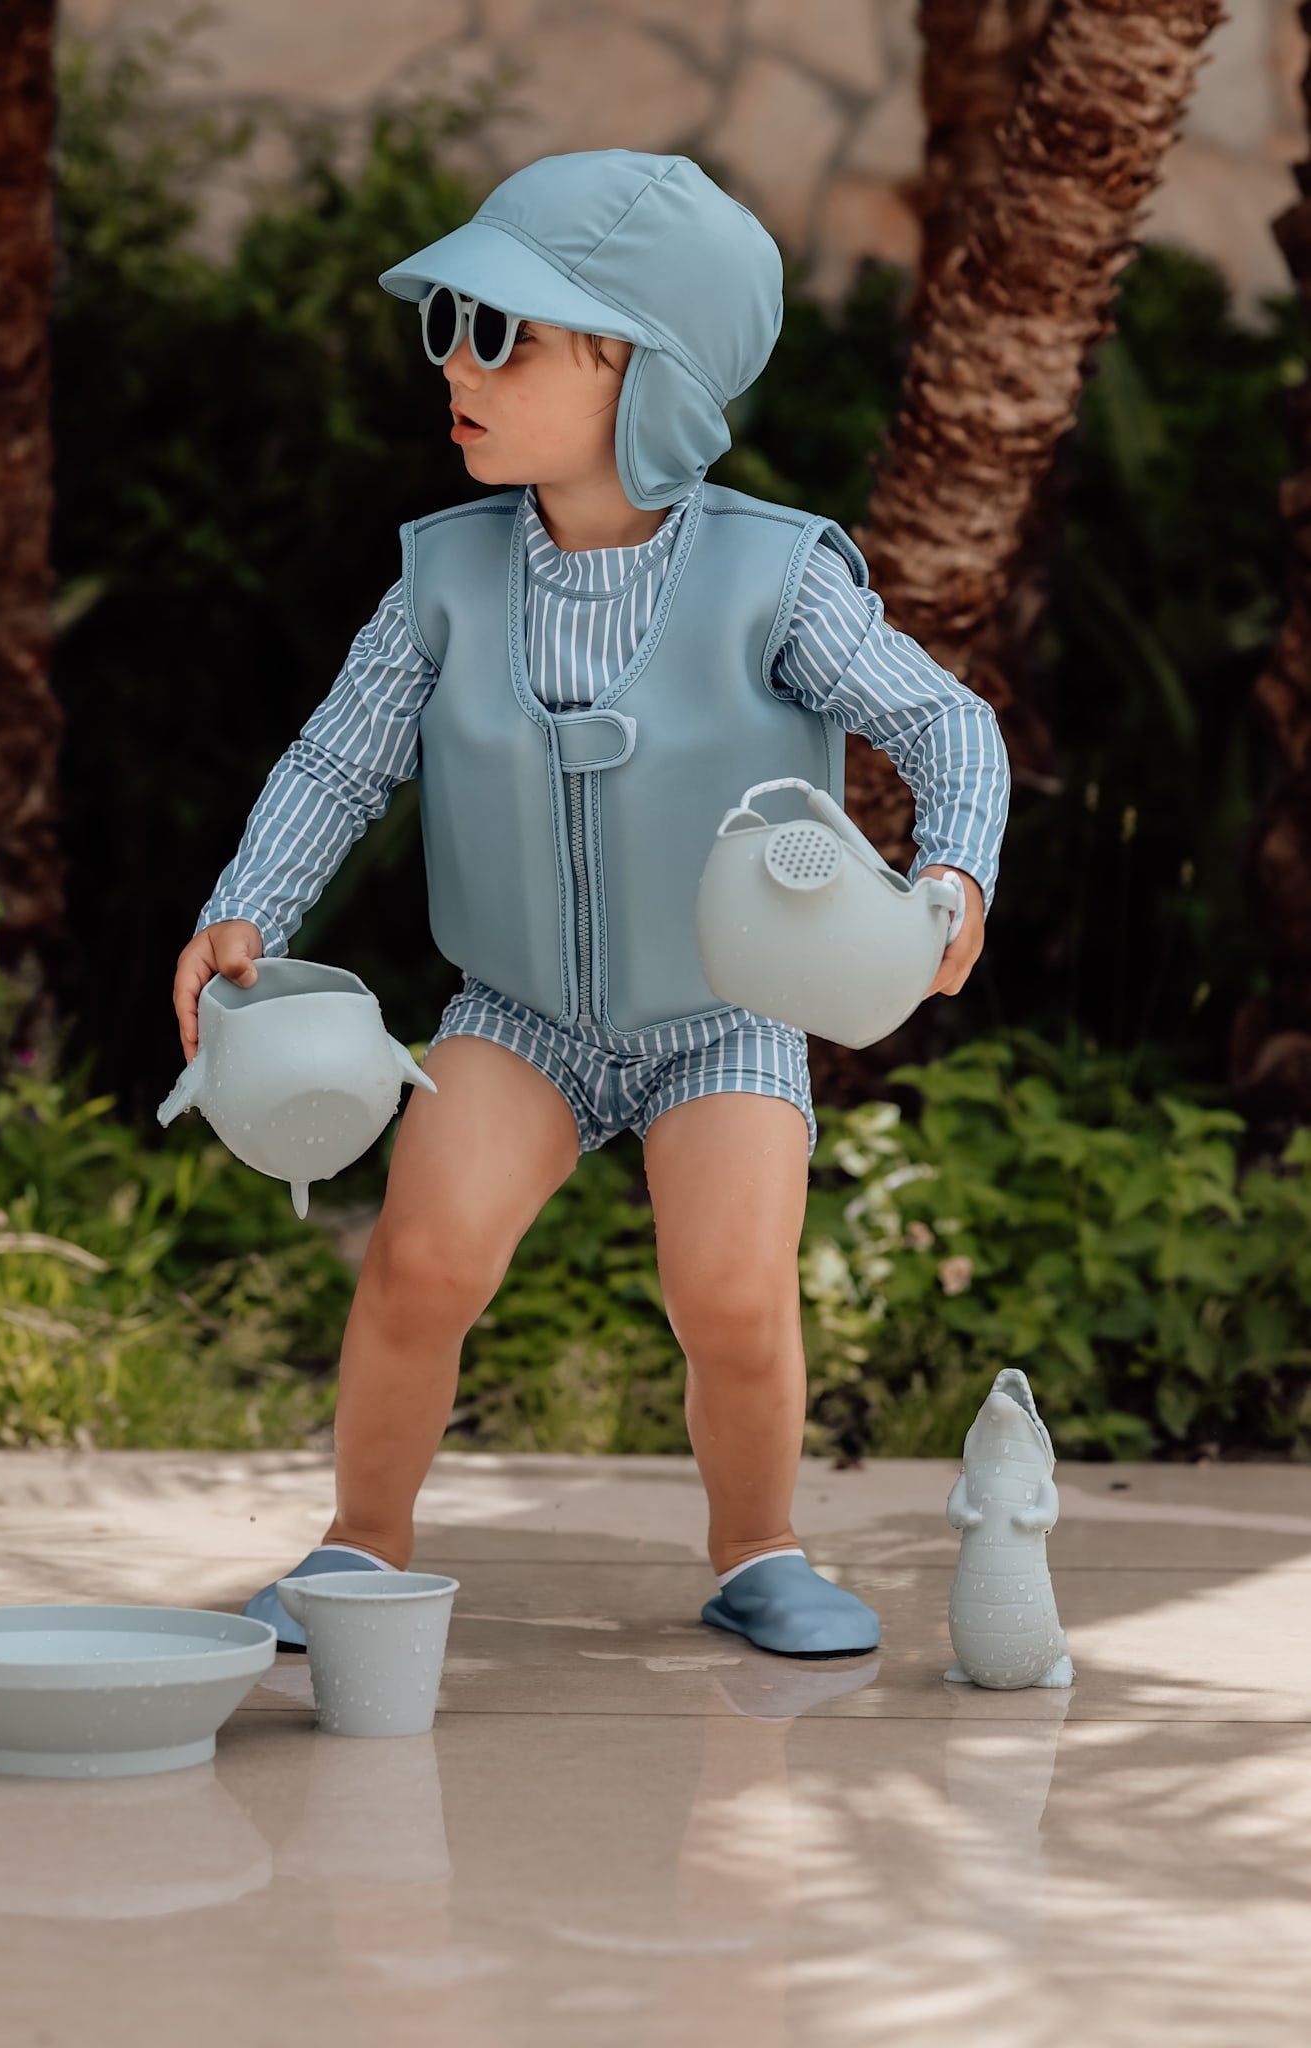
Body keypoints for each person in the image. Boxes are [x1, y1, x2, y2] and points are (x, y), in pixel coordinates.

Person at [171, 150, 1010, 1659]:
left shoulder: (775, 581)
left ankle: (757, 1550)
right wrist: (249, 906)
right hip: (519, 1014)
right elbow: (337, 761)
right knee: (419, 1263)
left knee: (733, 1296)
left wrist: (952, 871)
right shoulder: (442, 582)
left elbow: (948, 724)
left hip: (724, 1015)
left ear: (645, 372)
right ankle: (359, 1545)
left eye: (502, 334)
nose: (455, 364)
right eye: (448, 326)